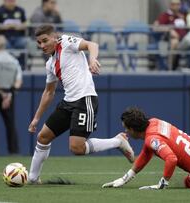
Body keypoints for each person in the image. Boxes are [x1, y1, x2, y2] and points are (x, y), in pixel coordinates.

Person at [27, 25, 135, 184]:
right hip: (68, 102)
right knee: (43, 137)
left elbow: (92, 45)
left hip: (85, 99)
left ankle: (118, 141)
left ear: (54, 37)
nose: (42, 46)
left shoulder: (65, 41)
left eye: (45, 41)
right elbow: (48, 93)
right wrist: (36, 118)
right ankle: (33, 179)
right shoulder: (50, 64)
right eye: (39, 43)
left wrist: (92, 59)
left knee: (77, 148)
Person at [0, 0, 28, 70]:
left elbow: (27, 23)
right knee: (6, 46)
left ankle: (22, 67)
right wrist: (4, 27)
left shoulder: (20, 10)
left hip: (18, 38)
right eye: (9, 1)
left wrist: (19, 27)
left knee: (27, 43)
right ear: (4, 1)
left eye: (13, 1)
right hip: (4, 38)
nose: (11, 2)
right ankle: (10, 68)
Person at [154, 0, 187, 70]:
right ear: (170, 5)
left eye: (178, 4)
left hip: (184, 40)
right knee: (174, 42)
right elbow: (156, 27)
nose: (176, 6)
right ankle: (170, 68)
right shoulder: (165, 15)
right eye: (174, 4)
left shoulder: (182, 16)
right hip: (169, 39)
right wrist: (170, 30)